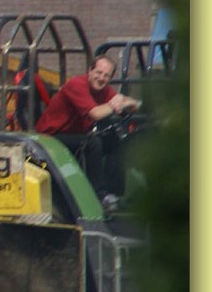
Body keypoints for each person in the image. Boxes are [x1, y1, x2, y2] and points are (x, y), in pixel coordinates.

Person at [35, 55, 141, 209]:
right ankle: (99, 196)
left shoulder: (103, 91)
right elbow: (95, 114)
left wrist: (125, 102)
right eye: (98, 72)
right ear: (89, 70)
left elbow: (134, 105)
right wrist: (115, 104)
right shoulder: (77, 84)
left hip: (75, 136)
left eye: (106, 76)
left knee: (115, 140)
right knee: (93, 142)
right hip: (50, 137)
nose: (101, 78)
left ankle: (115, 192)